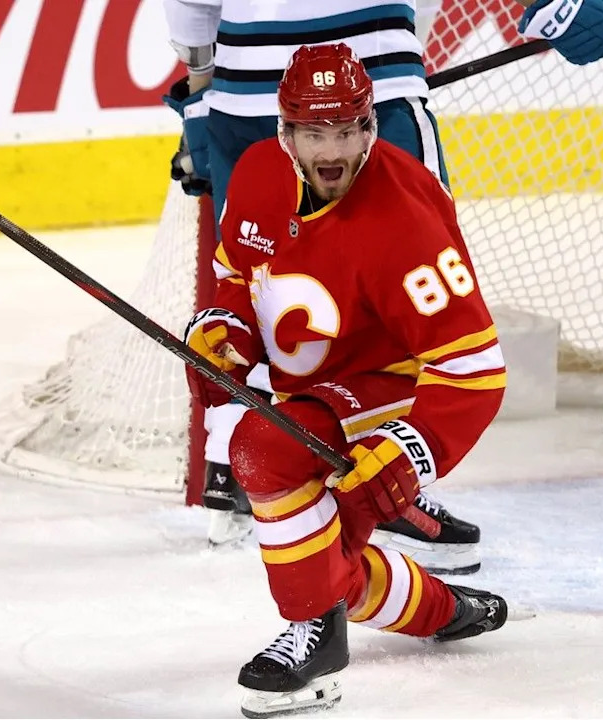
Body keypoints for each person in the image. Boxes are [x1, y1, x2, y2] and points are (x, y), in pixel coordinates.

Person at [163, 0, 603, 564]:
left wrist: (200, 82)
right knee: (380, 299)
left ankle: (244, 474)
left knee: (264, 275)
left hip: (240, 92)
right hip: (372, 78)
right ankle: (377, 491)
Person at [184, 43, 511, 718]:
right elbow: (238, 281)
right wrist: (226, 335)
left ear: (369, 128)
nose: (329, 151)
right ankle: (447, 611)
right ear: (286, 132)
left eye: (343, 131)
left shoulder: (405, 217)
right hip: (309, 391)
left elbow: (474, 369)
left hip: (388, 384)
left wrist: (415, 447)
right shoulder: (254, 174)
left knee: (262, 450)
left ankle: (317, 638)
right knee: (328, 554)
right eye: (312, 133)